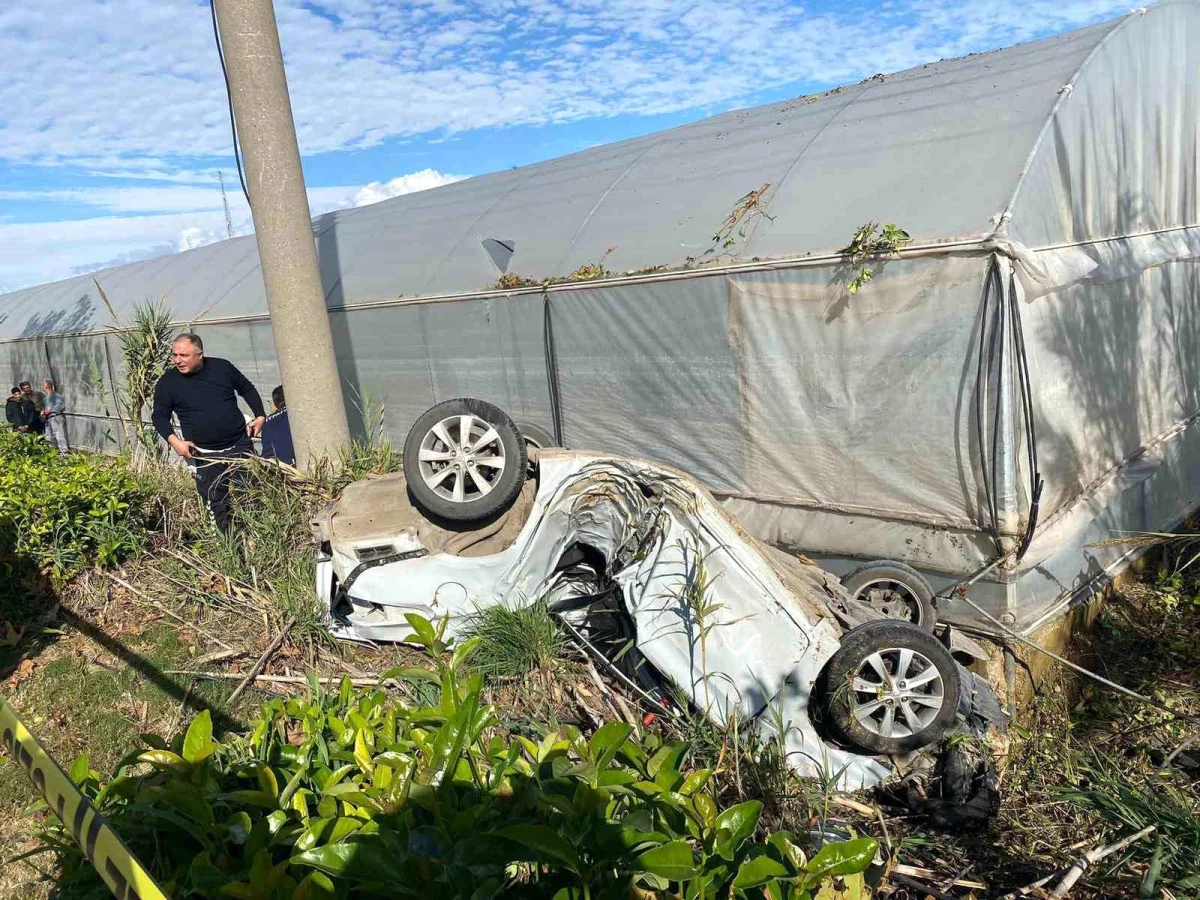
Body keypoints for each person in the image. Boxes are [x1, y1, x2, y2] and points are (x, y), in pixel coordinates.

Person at [151, 333, 266, 532]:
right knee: (217, 503)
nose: (178, 360)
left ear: (200, 354)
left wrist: (260, 415)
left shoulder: (222, 368)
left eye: (184, 355)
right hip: (204, 454)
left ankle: (259, 540)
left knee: (250, 495)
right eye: (174, 355)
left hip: (239, 445)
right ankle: (229, 550)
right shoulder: (168, 382)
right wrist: (175, 442)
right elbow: (159, 416)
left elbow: (246, 388)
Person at [259, 385, 296, 466]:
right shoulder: (294, 414)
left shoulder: (266, 422)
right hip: (291, 467)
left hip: (269, 466)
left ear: (275, 404)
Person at [41, 379, 69, 454]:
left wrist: (50, 410)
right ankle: (53, 451)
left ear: (46, 386)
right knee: (49, 436)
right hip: (48, 418)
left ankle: (64, 451)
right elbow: (46, 408)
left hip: (55, 417)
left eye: (43, 386)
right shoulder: (45, 398)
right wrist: (43, 412)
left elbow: (61, 406)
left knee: (59, 434)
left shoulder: (57, 396)